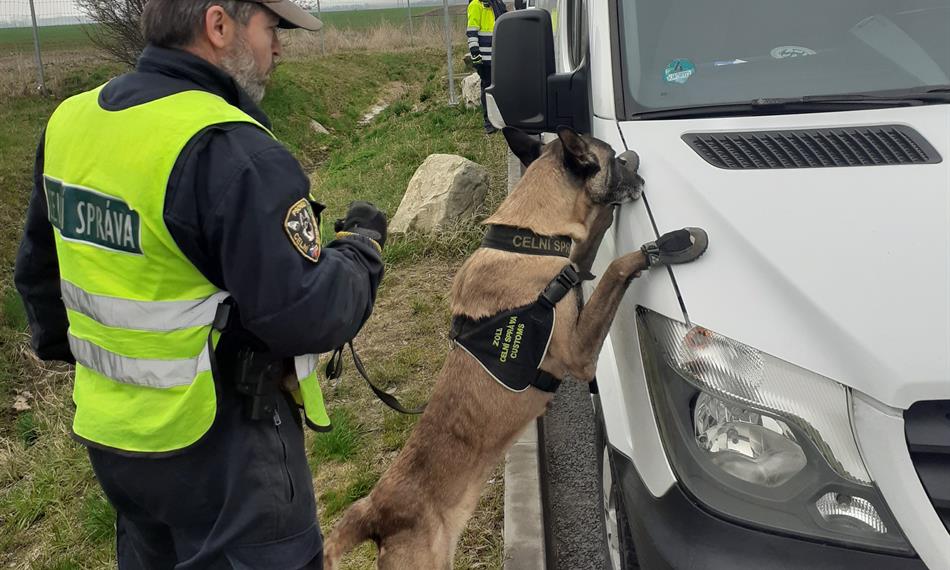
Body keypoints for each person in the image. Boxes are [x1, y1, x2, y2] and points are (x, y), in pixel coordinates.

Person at [13, 1, 386, 568]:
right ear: (218, 25)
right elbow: (310, 311)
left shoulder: (71, 123)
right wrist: (361, 251)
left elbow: (40, 282)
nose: (279, 47)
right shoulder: (230, 149)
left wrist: (118, 375)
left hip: (114, 440)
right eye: (272, 28)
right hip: (224, 451)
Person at [467, 0, 507, 134]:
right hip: (484, 59)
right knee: (487, 88)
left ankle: (501, 119)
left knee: (500, 88)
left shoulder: (497, 5)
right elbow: (472, 32)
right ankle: (489, 122)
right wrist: (475, 55)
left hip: (498, 56)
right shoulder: (475, 5)